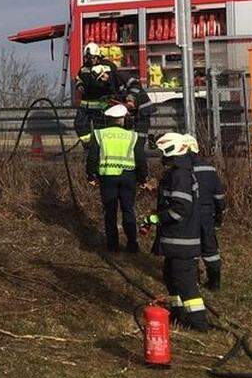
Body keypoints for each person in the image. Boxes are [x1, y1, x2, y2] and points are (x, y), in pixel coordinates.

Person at [144, 133, 209, 330]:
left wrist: (157, 218)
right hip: (175, 241)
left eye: (165, 153)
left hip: (182, 240)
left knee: (185, 283)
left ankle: (198, 323)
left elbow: (180, 208)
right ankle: (178, 315)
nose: (163, 157)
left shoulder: (180, 175)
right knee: (171, 278)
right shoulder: (177, 173)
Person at [84, 104, 147, 252]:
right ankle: (132, 244)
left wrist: (90, 175)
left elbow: (92, 157)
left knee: (110, 212)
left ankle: (112, 247)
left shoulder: (99, 134)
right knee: (128, 210)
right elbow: (141, 159)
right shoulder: (133, 136)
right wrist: (142, 178)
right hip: (128, 177)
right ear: (123, 119)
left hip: (107, 178)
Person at [183, 135, 226, 290]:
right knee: (210, 248)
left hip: (188, 214)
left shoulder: (181, 170)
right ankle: (215, 281)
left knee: (190, 247)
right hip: (207, 214)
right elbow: (219, 196)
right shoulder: (209, 169)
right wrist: (219, 215)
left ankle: (193, 279)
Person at [74, 43, 123, 138]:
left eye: (92, 57)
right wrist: (79, 84)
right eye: (87, 58)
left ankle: (99, 148)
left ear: (98, 56)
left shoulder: (108, 66)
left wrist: (107, 81)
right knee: (80, 126)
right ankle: (88, 145)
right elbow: (78, 78)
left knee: (101, 129)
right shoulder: (84, 68)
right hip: (86, 105)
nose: (90, 60)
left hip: (103, 105)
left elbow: (116, 82)